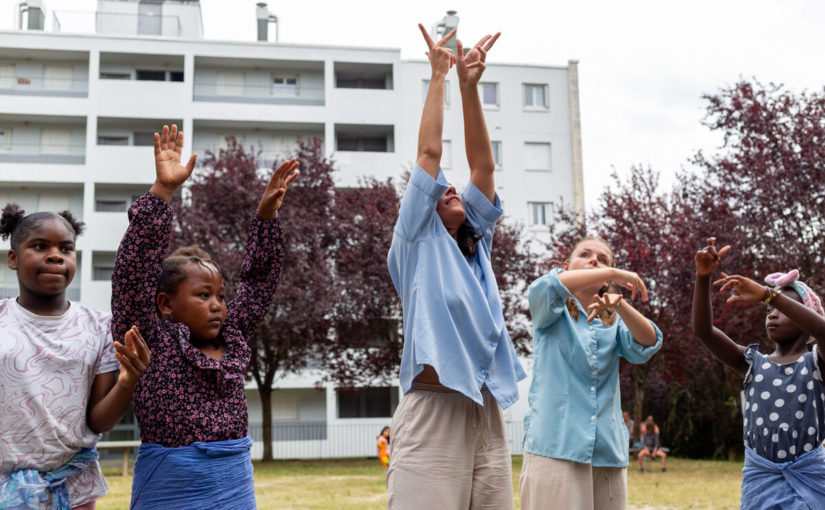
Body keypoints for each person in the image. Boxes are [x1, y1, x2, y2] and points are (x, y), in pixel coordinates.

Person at [112, 125, 298, 509]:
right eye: (203, 295)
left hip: (234, 487)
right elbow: (132, 276)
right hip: (169, 488)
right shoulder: (152, 342)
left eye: (220, 296)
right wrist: (162, 193)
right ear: (165, 304)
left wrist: (266, 218)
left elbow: (258, 283)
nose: (217, 304)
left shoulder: (231, 338)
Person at [386, 25, 526, 509]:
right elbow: (429, 153)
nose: (451, 189)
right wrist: (440, 75)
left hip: (483, 410)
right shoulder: (415, 242)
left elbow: (483, 169)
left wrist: (471, 88)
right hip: (433, 410)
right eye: (441, 188)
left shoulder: (476, 247)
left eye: (454, 189)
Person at [0, 207, 150, 509]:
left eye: (66, 248)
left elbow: (98, 421)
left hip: (73, 486)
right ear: (13, 259)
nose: (56, 256)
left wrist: (127, 382)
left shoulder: (100, 327)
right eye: (40, 246)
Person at [519, 236, 663, 510]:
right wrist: (611, 272)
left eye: (603, 259)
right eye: (584, 255)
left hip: (607, 452)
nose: (594, 260)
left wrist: (619, 304)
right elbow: (547, 286)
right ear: (565, 266)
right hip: (554, 449)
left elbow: (648, 342)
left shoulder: (615, 324)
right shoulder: (549, 311)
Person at [692, 238, 825, 509]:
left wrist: (769, 294)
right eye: (768, 310)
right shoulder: (753, 362)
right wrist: (702, 277)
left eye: (783, 308)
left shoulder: (818, 363)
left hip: (810, 482)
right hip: (759, 483)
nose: (772, 314)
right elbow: (703, 332)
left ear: (805, 317)